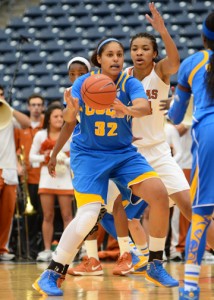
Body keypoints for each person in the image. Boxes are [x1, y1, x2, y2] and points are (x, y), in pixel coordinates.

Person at [32, 37, 179, 297]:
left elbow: (145, 107)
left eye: (119, 54)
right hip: (88, 155)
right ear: (98, 59)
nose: (116, 59)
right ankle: (52, 272)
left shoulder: (129, 82)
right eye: (109, 54)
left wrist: (127, 109)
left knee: (158, 192)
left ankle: (154, 262)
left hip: (122, 153)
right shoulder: (83, 83)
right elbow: (68, 121)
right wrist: (55, 151)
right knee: (89, 215)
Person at [166, 12, 214, 300]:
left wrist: (167, 107)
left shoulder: (192, 64)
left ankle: (192, 286)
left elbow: (174, 115)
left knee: (202, 212)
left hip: (208, 133)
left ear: (203, 37)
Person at [29, 103, 74, 262]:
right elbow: (31, 157)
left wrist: (63, 160)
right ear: (48, 119)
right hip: (47, 177)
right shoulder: (41, 135)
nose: (59, 119)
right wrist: (45, 158)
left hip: (65, 178)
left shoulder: (70, 133)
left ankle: (68, 250)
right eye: (55, 116)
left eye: (61, 116)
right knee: (47, 215)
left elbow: (75, 156)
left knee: (67, 215)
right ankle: (47, 249)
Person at [0, 85, 30, 261]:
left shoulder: (8, 115)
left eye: (2, 95)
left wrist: (8, 108)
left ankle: (2, 248)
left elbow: (27, 123)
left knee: (7, 212)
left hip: (9, 169)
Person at [15, 93, 45, 259]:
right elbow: (15, 151)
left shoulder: (46, 126)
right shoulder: (21, 128)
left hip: (46, 178)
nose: (36, 108)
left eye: (39, 105)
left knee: (45, 216)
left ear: (43, 107)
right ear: (28, 107)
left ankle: (44, 248)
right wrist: (18, 165)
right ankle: (29, 250)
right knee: (30, 218)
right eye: (33, 105)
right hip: (29, 179)